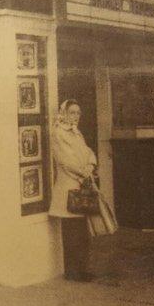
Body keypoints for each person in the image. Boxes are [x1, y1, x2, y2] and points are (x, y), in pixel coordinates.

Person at [49, 99, 96, 282]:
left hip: (81, 183)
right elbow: (65, 160)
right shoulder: (59, 133)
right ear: (64, 113)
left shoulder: (77, 133)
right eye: (72, 113)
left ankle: (82, 269)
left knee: (82, 230)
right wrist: (82, 172)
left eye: (78, 113)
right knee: (72, 231)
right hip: (69, 185)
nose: (75, 116)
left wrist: (90, 166)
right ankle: (72, 271)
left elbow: (88, 152)